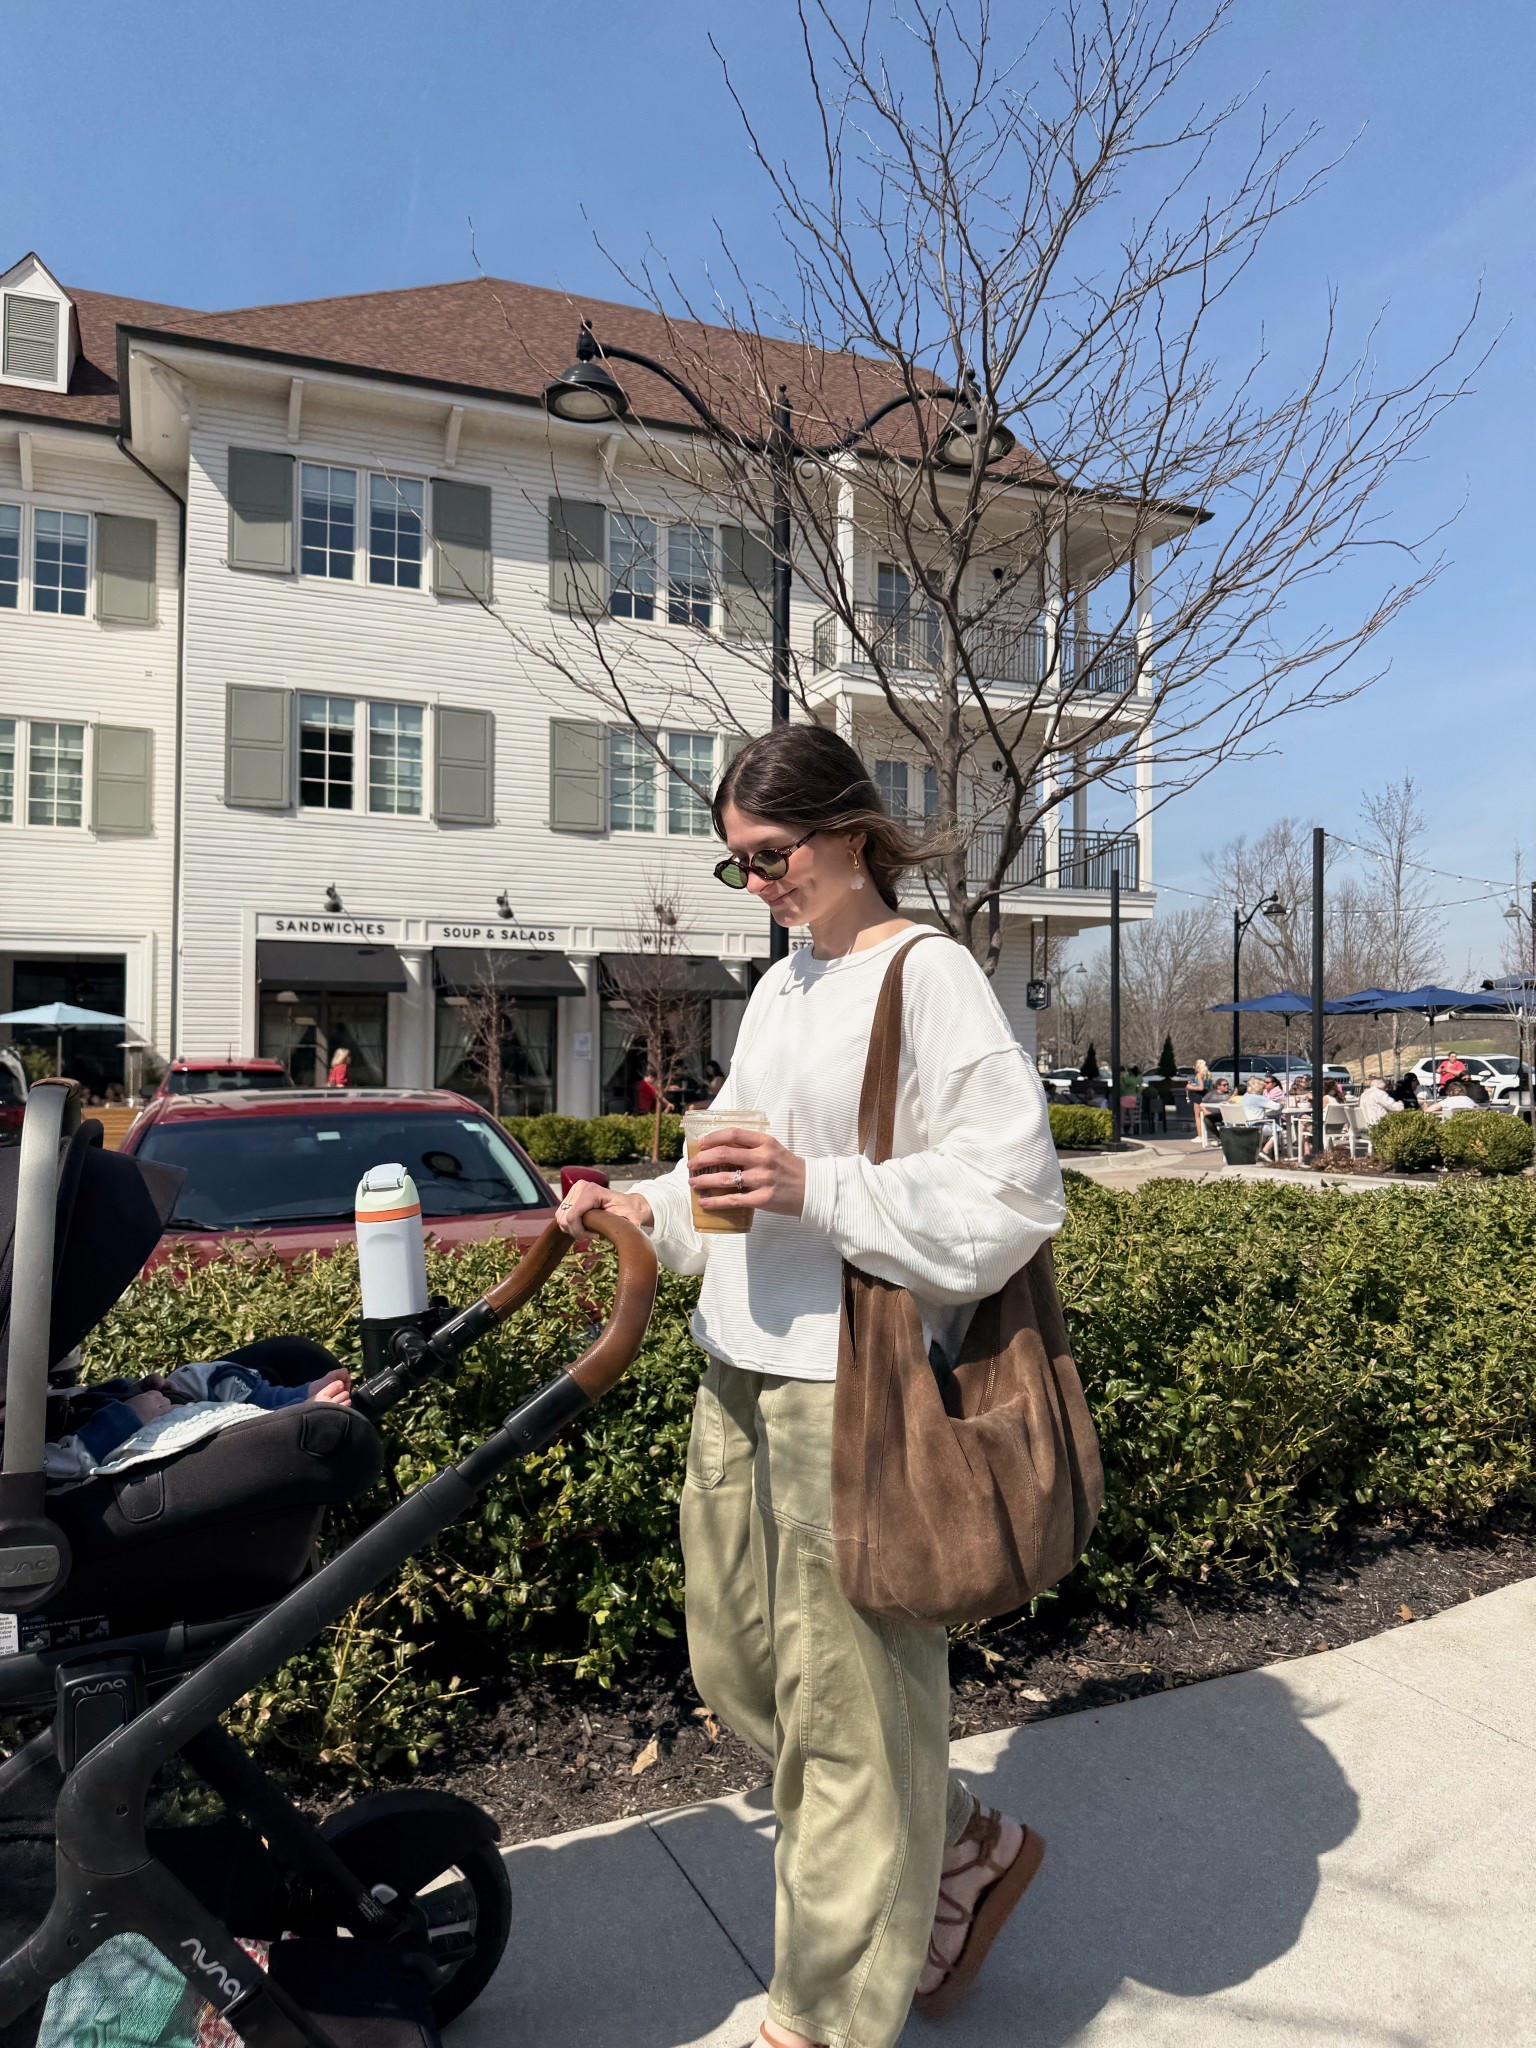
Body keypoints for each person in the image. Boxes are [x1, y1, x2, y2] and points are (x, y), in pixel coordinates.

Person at [555, 724, 1065, 2048]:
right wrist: (639, 1210)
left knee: (846, 1733)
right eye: (737, 867)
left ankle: (823, 2020)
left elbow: (1016, 1193)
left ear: (847, 831)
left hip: (854, 1393)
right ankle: (964, 1845)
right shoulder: (786, 987)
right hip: (738, 1365)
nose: (759, 884)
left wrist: (816, 1189)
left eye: (769, 856)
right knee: (741, 1674)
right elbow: (729, 1175)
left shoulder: (931, 977)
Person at [1186, 1058, 1214, 1145]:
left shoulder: (1199, 1074)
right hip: (1207, 1095)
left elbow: (1200, 1087)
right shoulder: (1208, 1075)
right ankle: (1207, 1134)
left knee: (1197, 1116)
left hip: (1199, 1096)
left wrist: (1190, 1087)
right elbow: (1209, 1087)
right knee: (1205, 1115)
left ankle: (1200, 1135)